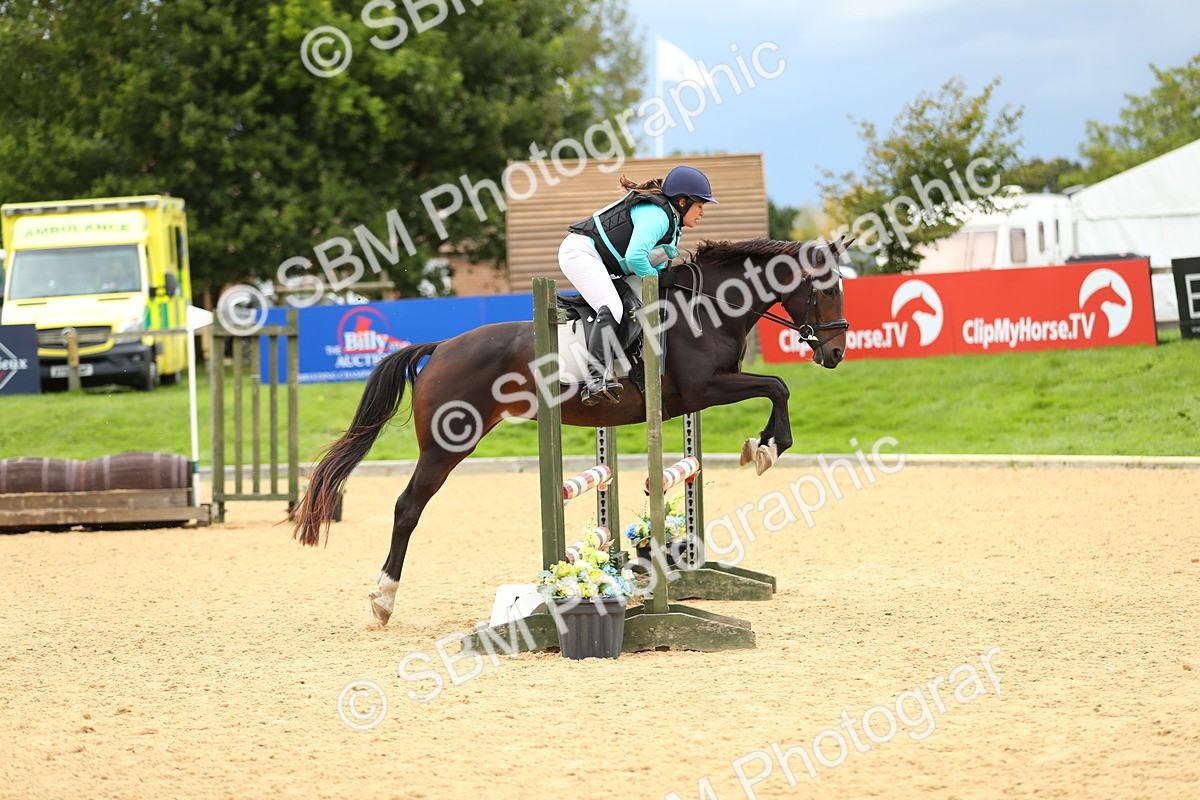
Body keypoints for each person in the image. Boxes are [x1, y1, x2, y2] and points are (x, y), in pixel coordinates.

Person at [559, 165, 717, 405]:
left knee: (634, 303)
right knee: (612, 306)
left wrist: (660, 276)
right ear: (683, 202)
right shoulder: (658, 216)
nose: (702, 212)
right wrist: (654, 277)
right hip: (580, 253)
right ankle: (595, 379)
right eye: (700, 206)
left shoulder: (673, 223)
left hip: (604, 261)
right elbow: (635, 257)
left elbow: (653, 257)